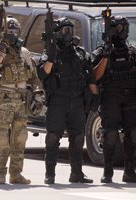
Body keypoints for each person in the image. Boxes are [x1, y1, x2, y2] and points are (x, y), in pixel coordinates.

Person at [37, 17, 98, 184]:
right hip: (58, 101)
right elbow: (43, 74)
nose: (68, 34)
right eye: (64, 30)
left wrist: (95, 97)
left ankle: (76, 173)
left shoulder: (80, 53)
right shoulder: (50, 53)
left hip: (77, 101)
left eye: (70, 30)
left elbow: (90, 77)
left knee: (78, 137)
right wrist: (51, 56)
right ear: (57, 33)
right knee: (52, 137)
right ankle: (50, 174)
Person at [0, 16, 42, 184]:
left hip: (21, 101)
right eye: (10, 32)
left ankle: (16, 173)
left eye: (15, 31)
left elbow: (34, 77)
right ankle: (0, 173)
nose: (13, 35)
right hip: (4, 99)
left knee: (20, 137)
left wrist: (38, 94)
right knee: (1, 137)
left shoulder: (24, 53)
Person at [92, 15, 136, 183]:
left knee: (132, 133)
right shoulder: (101, 52)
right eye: (117, 28)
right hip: (110, 97)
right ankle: (108, 172)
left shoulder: (133, 52)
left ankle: (129, 171)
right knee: (110, 134)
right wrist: (106, 55)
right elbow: (95, 76)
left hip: (130, 97)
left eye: (123, 28)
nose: (121, 32)